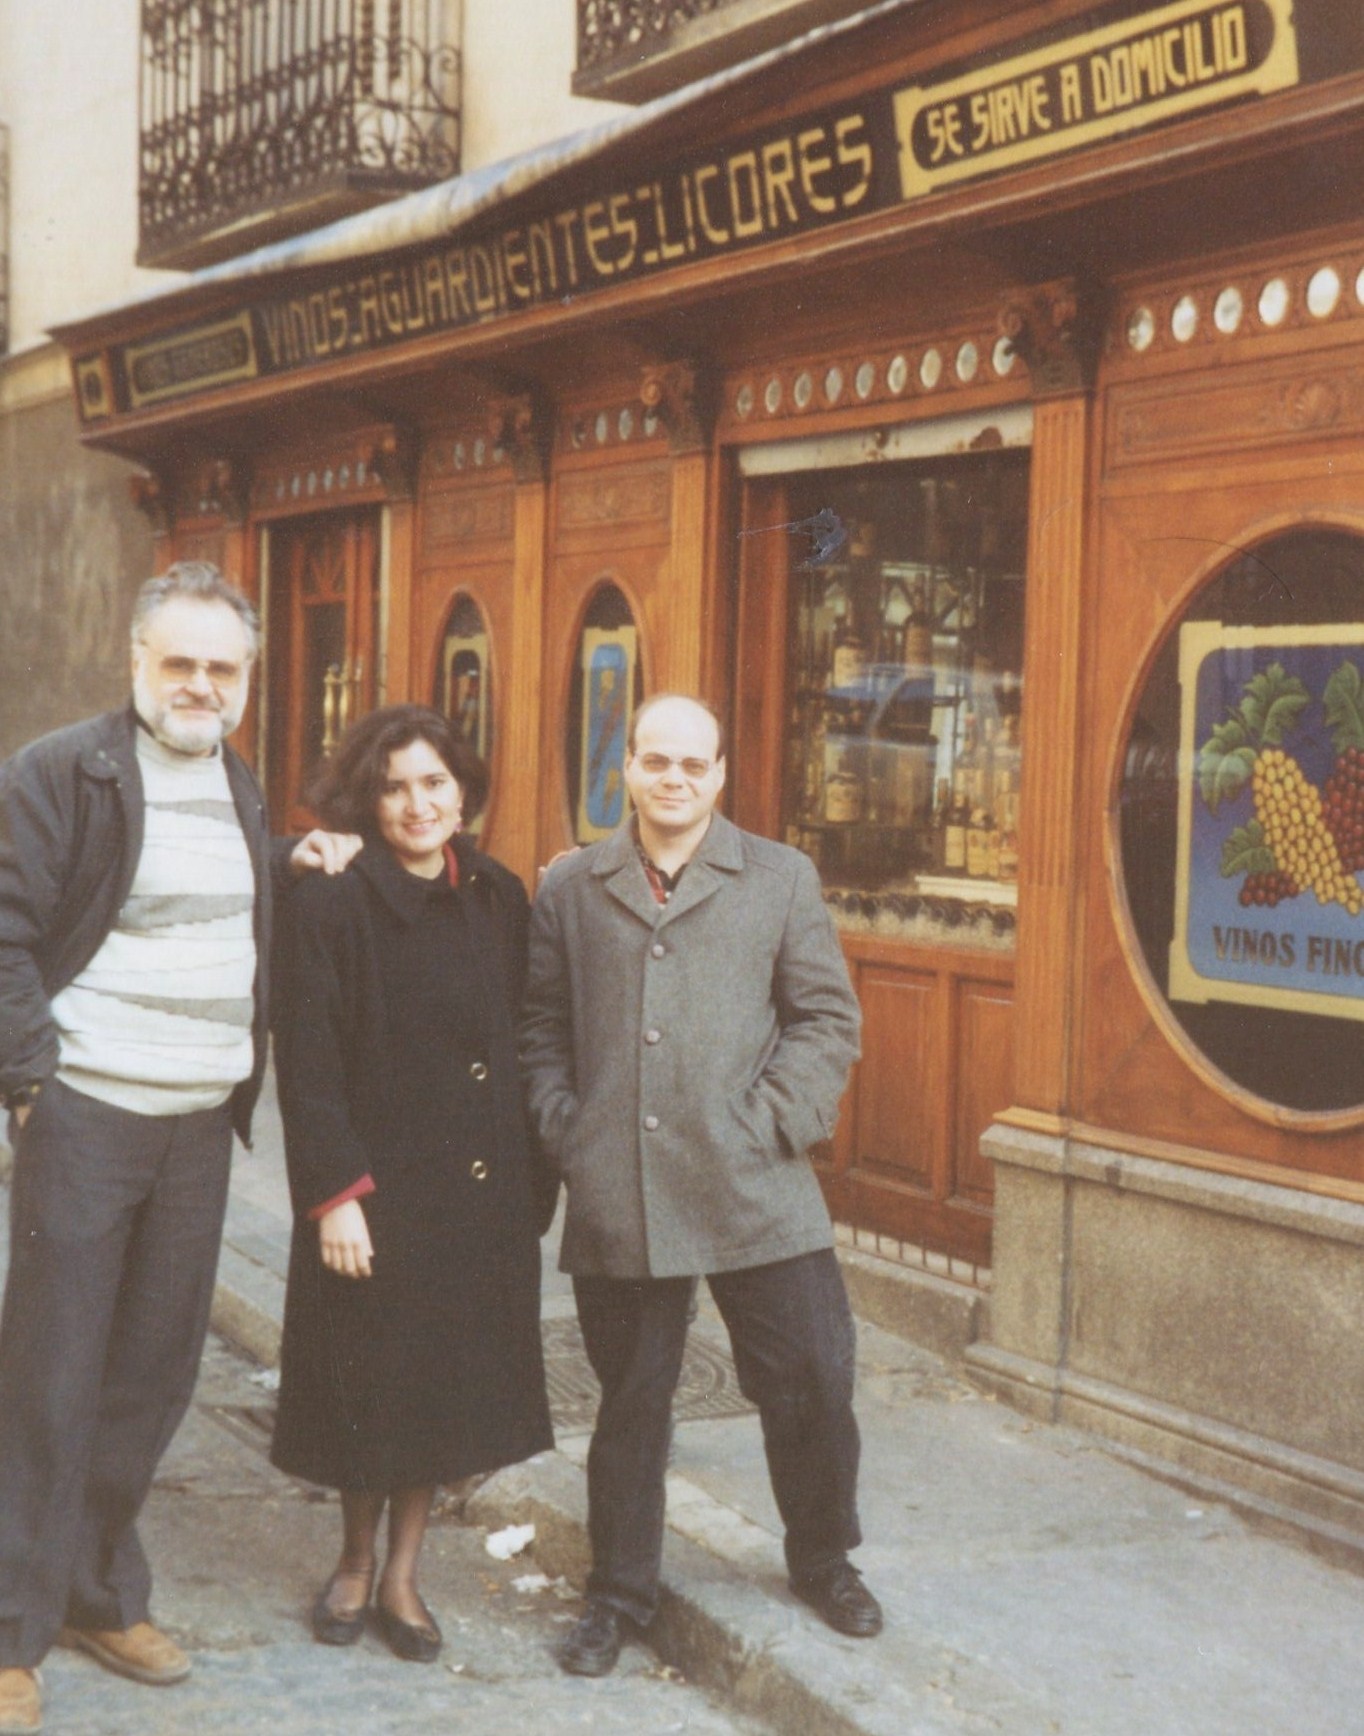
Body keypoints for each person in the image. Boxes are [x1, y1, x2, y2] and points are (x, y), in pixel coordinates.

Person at [0, 562, 356, 1736]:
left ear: (247, 680)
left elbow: (203, 894)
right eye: (180, 662)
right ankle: (11, 1628)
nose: (201, 683)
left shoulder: (241, 789)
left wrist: (291, 858)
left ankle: (100, 1593)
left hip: (197, 1128)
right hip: (88, 1119)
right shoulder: (64, 770)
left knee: (153, 1374)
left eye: (223, 667)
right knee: (50, 1377)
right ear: (137, 661)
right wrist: (31, 1082)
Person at [520, 693, 881, 1679]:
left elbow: (823, 1021)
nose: (672, 778)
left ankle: (821, 1558)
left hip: (754, 1183)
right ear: (624, 768)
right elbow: (540, 1028)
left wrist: (769, 1120)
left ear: (720, 773)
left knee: (808, 1372)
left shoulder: (776, 876)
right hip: (620, 1185)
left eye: (692, 763)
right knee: (631, 1401)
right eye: (653, 760)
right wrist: (570, 1131)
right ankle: (617, 1592)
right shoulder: (571, 887)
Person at [269, 704, 554, 1664]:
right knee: (367, 1381)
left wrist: (530, 1185)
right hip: (377, 1187)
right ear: (368, 800)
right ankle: (353, 1561)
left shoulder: (500, 895)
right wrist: (335, 1193)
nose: (417, 804)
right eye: (394, 787)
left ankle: (403, 1574)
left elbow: (520, 1038)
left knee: (437, 1387)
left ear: (463, 790)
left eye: (435, 782)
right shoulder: (333, 899)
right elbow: (308, 1056)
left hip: (469, 1189)